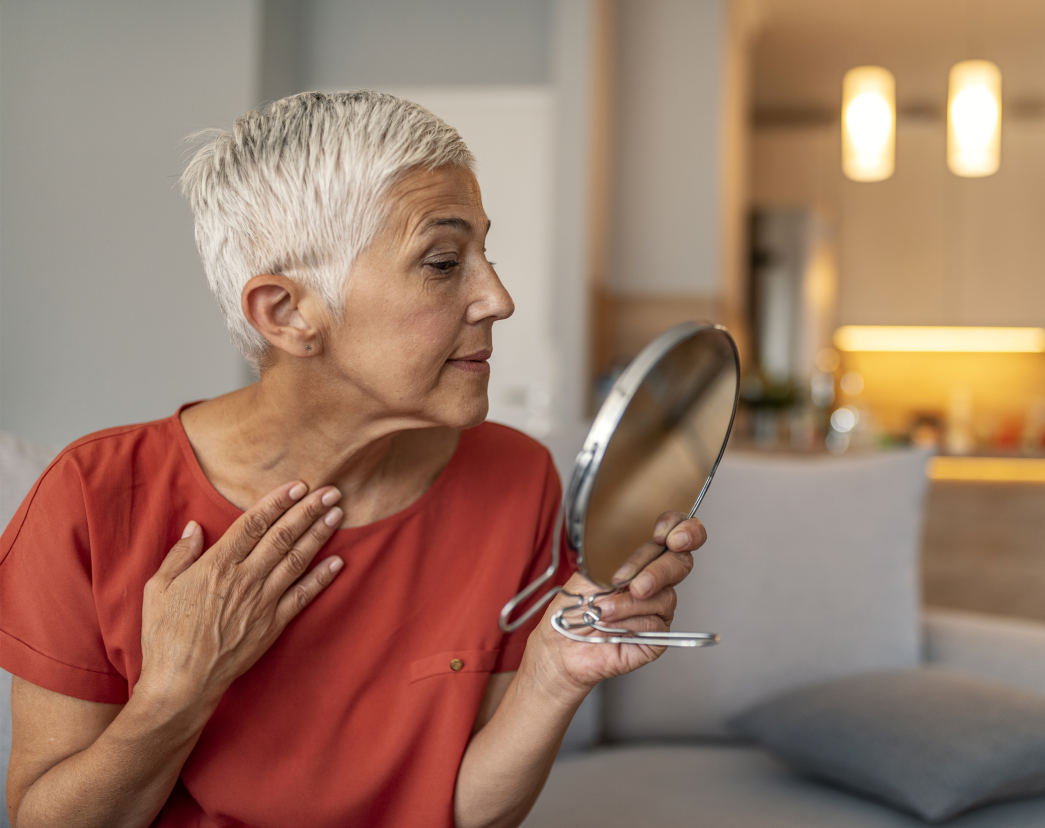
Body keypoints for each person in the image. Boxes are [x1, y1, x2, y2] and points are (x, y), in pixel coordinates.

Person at [0, 91, 707, 828]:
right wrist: (177, 692)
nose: (497, 298)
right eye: (442, 262)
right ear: (288, 314)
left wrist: (554, 675)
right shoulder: (90, 498)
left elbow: (461, 813)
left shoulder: (517, 479)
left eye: (483, 254)